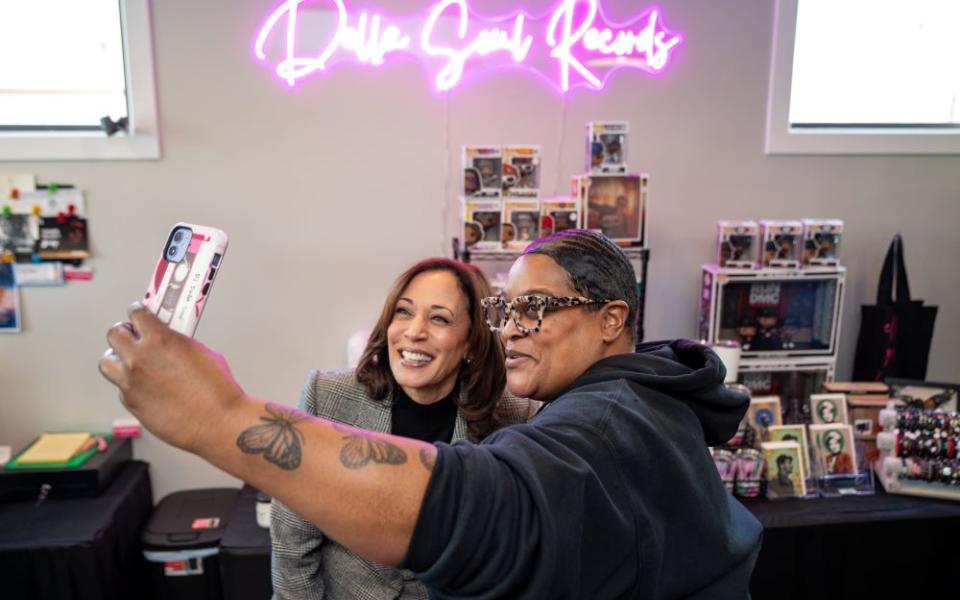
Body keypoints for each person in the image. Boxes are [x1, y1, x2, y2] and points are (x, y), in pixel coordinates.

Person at [99, 229, 762, 599]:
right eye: (508, 311)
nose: (515, 330)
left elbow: (473, 508)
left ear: (612, 319)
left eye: (534, 309)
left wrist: (220, 418)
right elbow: (294, 550)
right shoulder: (641, 399)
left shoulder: (604, 419)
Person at [271, 258, 539, 599]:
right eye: (403, 312)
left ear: (471, 342)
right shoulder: (328, 397)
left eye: (439, 318)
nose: (414, 331)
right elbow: (292, 542)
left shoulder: (515, 415)